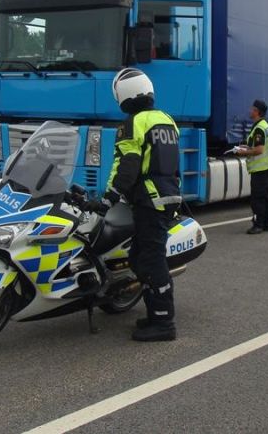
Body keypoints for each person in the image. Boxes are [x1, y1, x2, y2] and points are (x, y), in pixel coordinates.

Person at [90, 68, 181, 342]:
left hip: (149, 201)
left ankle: (164, 323)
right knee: (140, 257)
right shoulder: (166, 119)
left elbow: (128, 165)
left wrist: (109, 198)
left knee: (151, 260)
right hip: (166, 195)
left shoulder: (133, 122)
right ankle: (155, 314)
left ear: (124, 95)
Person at [235, 99, 268, 234]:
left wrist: (243, 152)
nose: (250, 111)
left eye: (252, 109)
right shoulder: (264, 125)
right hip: (266, 167)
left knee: (257, 199)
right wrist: (246, 147)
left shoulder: (259, 129)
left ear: (257, 111)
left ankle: (258, 225)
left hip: (259, 169)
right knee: (265, 197)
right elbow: (257, 146)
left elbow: (259, 149)